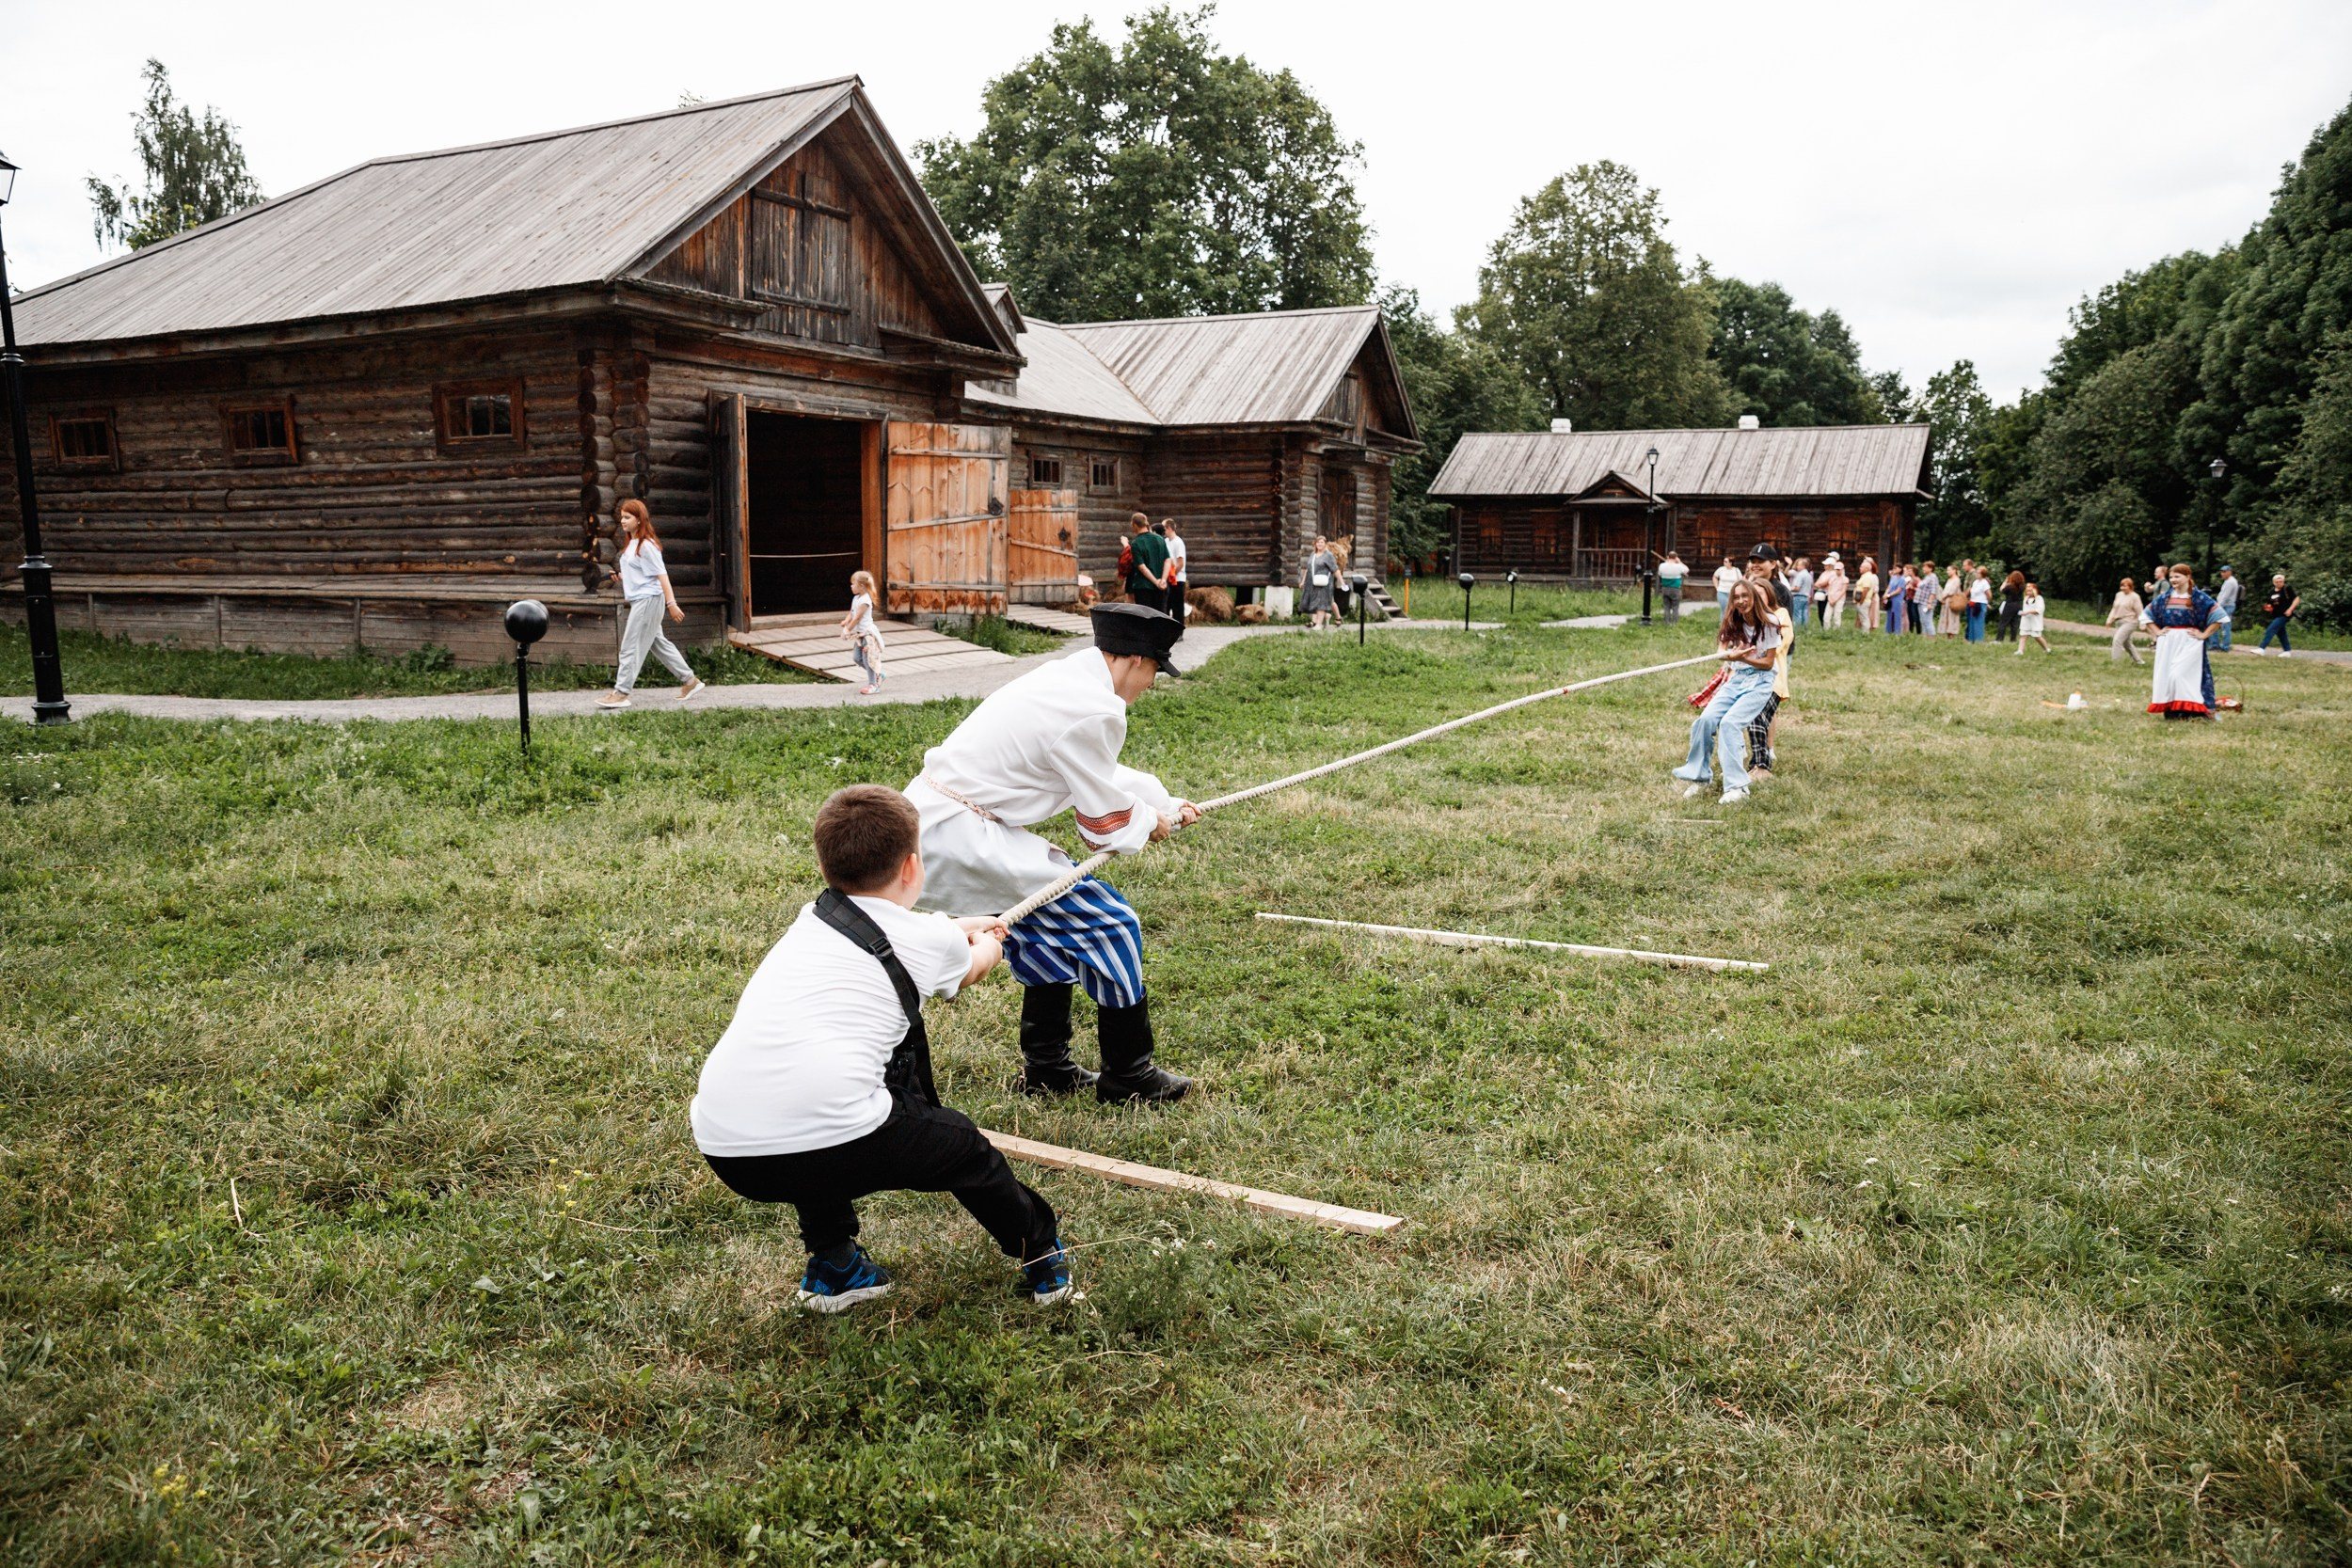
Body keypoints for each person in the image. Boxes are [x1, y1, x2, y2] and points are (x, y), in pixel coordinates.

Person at [691, 785, 1072, 1313]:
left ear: (825, 867)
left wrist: (953, 930)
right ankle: (1042, 1257)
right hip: (832, 1138)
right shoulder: (929, 941)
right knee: (963, 1147)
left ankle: (837, 1266)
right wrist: (989, 942)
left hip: (730, 1149)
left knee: (814, 1122)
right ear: (913, 867)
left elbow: (906, 935)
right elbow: (969, 969)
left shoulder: (815, 919)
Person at [903, 602, 1197, 1103]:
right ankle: (1129, 1074)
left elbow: (1091, 771)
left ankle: (1048, 1067)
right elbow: (1105, 818)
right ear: (1132, 660)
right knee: (1113, 923)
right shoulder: (1093, 708)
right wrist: (1149, 822)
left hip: (947, 820)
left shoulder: (1069, 681)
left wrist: (1160, 799)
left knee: (1038, 923)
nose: (1151, 684)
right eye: (1154, 670)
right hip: (962, 834)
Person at [1672, 578, 1780, 805]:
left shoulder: (1770, 622)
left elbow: (1769, 663)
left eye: (1745, 596)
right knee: (1705, 720)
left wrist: (1743, 657)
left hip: (1761, 681)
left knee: (1730, 724)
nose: (1741, 601)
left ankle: (1737, 787)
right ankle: (1700, 777)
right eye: (1736, 597)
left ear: (1754, 597)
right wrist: (1728, 656)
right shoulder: (1732, 620)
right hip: (1737, 678)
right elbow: (1721, 650)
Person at [598, 499, 705, 710]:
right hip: (642, 599)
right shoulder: (633, 544)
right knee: (659, 644)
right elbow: (640, 572)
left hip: (648, 601)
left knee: (630, 645)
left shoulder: (647, 545)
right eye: (622, 517)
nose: (623, 521)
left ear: (639, 520)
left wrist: (671, 604)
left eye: (628, 517)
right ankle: (690, 681)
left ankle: (621, 693)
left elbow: (662, 576)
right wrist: (622, 576)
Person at [2140, 564, 2217, 717]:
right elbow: (2145, 615)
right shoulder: (2165, 598)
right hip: (2169, 642)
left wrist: (2204, 635)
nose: (2173, 580)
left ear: (2188, 577)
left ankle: (2193, 708)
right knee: (2168, 675)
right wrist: (2157, 632)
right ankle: (2174, 709)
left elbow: (2219, 617)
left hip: (2190, 641)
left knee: (2180, 674)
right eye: (2171, 577)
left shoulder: (2199, 597)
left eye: (2177, 576)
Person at [1742, 552, 1794, 777]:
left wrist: (1755, 649)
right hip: (1748, 678)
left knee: (1758, 717)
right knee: (1753, 718)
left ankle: (1761, 765)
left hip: (1773, 679)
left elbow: (1782, 643)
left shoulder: (1780, 615)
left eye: (1761, 594)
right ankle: (1756, 764)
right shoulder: (1746, 619)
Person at [840, 569, 886, 696]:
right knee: (857, 658)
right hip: (860, 634)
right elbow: (852, 613)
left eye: (853, 583)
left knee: (868, 660)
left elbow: (858, 618)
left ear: (861, 586)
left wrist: (847, 630)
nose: (851, 586)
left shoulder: (865, 601)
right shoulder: (856, 598)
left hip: (867, 635)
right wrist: (846, 620)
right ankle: (878, 675)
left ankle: (873, 685)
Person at [1124, 513, 1170, 611]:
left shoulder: (1136, 543)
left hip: (1144, 586)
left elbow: (1142, 567)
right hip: (1161, 586)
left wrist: (1155, 582)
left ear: (1134, 525)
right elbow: (1167, 560)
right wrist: (1163, 580)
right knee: (1160, 616)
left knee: (1145, 618)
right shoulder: (1160, 539)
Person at [1301, 534, 1339, 630]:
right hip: (1312, 582)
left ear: (1325, 544)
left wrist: (1341, 581)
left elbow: (1335, 569)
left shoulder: (1328, 555)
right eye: (1318, 542)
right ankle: (1317, 621)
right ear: (1315, 544)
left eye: (1322, 542)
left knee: (1325, 602)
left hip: (1324, 583)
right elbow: (1308, 569)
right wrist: (1303, 581)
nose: (1319, 544)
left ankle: (1324, 621)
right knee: (1315, 601)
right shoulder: (1312, 555)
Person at [2106, 577, 2146, 664]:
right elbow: (2114, 609)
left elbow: (2139, 610)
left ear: (2130, 586)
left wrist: (2142, 623)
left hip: (2130, 622)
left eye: (2125, 586)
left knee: (2117, 640)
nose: (2123, 588)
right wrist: (2109, 619)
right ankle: (2139, 661)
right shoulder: (2118, 595)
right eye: (2121, 586)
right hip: (2119, 621)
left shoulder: (2135, 597)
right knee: (2127, 644)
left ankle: (2115, 662)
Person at [2259, 574, 2299, 655]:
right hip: (2276, 614)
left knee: (2271, 629)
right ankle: (2287, 651)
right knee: (2281, 633)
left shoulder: (2287, 589)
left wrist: (2290, 609)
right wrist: (2267, 608)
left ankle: (2262, 648)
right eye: (2277, 582)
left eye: (2281, 582)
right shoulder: (2272, 592)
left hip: (2284, 614)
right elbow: (2270, 604)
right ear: (2274, 582)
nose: (2279, 583)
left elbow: (2296, 599)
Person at [1159, 518, 1188, 620]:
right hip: (1168, 579)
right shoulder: (1166, 541)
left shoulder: (1178, 542)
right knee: (1167, 605)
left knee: (1177, 607)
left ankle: (1179, 631)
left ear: (1169, 528)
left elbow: (1180, 563)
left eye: (1164, 528)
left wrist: (1171, 575)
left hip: (1177, 579)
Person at [2015, 581, 2050, 655]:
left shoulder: (2039, 598)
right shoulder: (2026, 598)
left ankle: (2046, 649)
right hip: (2026, 621)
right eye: (2027, 591)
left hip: (2035, 621)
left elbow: (2039, 610)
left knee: (2037, 636)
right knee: (2023, 635)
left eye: (2030, 591)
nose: (2028, 592)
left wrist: (2028, 612)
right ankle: (2020, 651)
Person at [2212, 565, 2241, 652]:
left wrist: (2217, 606)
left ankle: (2224, 646)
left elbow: (2225, 597)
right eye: (2221, 572)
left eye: (2224, 572)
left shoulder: (2230, 582)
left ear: (2230, 572)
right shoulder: (2228, 581)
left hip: (2226, 606)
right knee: (2218, 625)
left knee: (2225, 626)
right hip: (2225, 605)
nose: (2222, 574)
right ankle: (2217, 644)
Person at [1820, 553, 1849, 629]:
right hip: (1831, 598)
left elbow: (1843, 590)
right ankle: (1826, 630)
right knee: (1826, 616)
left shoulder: (1845, 579)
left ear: (1842, 570)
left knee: (1837, 615)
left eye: (1839, 569)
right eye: (1836, 569)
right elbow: (1829, 588)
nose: (1837, 571)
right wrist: (1829, 598)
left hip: (1839, 599)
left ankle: (1836, 630)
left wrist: (1836, 599)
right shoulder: (1832, 578)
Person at [1996, 570, 2026, 642]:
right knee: (2014, 624)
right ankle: (2013, 639)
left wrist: (2005, 581)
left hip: (2009, 604)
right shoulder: (2022, 587)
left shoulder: (2010, 587)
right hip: (2018, 605)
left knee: (2003, 623)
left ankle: (1999, 639)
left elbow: (2001, 590)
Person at [1657, 550, 1686, 622]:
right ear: (1676, 558)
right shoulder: (1678, 566)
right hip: (1675, 588)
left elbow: (1659, 574)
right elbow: (1686, 570)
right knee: (1675, 607)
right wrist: (1679, 562)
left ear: (1667, 557)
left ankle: (1667, 621)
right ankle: (1675, 622)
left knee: (1666, 606)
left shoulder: (1662, 565)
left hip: (1665, 588)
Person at [1915, 562, 1942, 637]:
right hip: (1921, 601)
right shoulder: (1927, 577)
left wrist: (1929, 603)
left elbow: (1933, 591)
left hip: (1926, 603)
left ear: (1930, 568)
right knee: (1923, 620)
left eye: (1925, 567)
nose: (1923, 569)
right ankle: (1925, 637)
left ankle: (1931, 637)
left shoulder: (1933, 578)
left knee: (1928, 621)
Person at [1788, 557, 1816, 629]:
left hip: (1798, 596)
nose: (1797, 566)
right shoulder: (1809, 575)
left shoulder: (1800, 575)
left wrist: (1789, 589)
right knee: (1804, 613)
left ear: (1803, 566)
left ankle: (1798, 629)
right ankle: (1805, 628)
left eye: (1798, 565)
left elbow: (1797, 588)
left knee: (1797, 614)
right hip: (1806, 597)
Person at [1854, 556, 1880, 633]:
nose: (1860, 568)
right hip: (1865, 598)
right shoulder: (1864, 576)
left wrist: (1862, 599)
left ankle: (1867, 631)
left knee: (1868, 615)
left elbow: (1869, 589)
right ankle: (1863, 629)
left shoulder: (1872, 576)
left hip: (1870, 598)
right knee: (1863, 615)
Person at [1966, 566, 1992, 642]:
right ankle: (1971, 639)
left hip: (1980, 603)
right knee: (1972, 621)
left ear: (1982, 574)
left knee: (1978, 622)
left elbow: (1989, 595)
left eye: (1978, 573)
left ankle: (1979, 640)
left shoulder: (1984, 583)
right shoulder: (1975, 582)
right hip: (1973, 602)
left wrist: (1987, 602)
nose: (1976, 574)